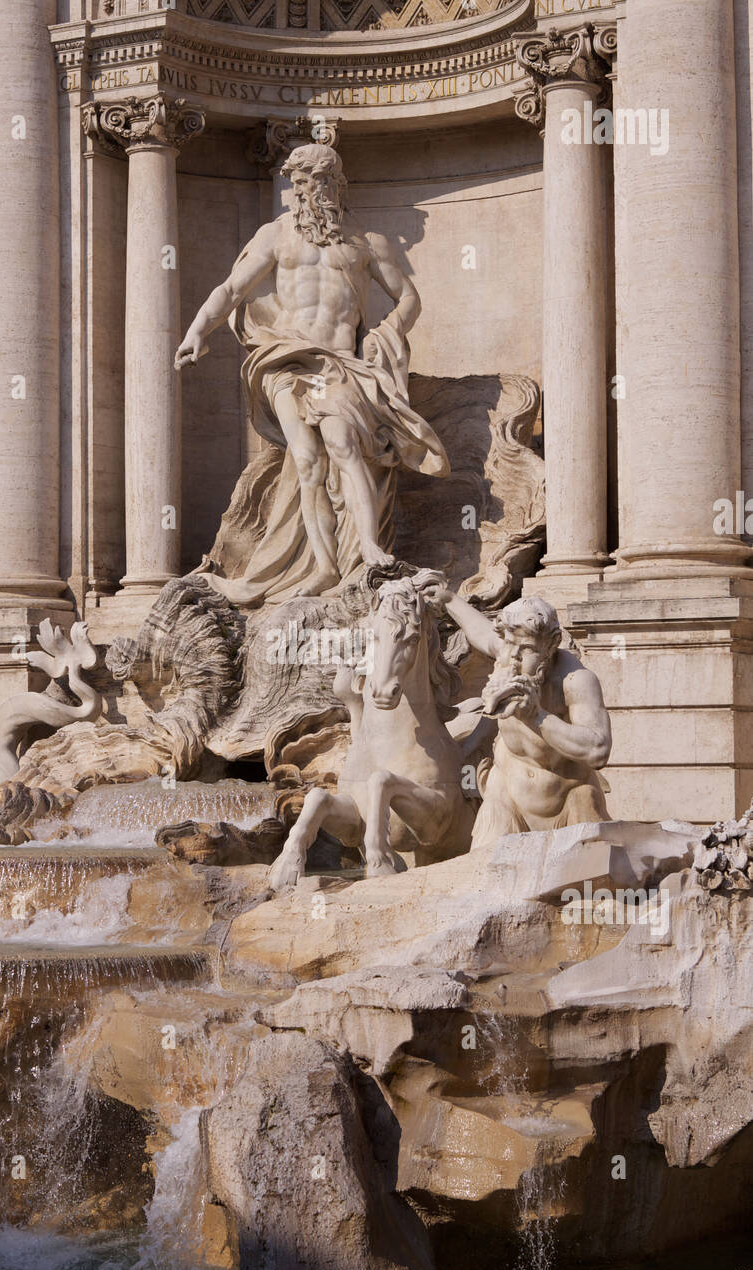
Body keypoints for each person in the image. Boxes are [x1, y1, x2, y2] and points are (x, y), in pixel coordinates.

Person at [175, 143, 448, 604]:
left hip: (337, 363)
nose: (309, 191)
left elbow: (409, 297)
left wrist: (387, 333)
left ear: (337, 185)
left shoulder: (366, 243)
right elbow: (230, 289)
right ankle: (323, 566)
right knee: (307, 459)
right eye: (301, 182)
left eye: (319, 181)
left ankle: (367, 547)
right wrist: (197, 331)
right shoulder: (276, 236)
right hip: (286, 359)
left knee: (343, 445)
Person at [427, 584, 612, 848]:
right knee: (483, 877)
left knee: (587, 882)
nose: (512, 656)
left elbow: (598, 749)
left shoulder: (576, 681)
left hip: (569, 801)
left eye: (525, 649)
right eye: (508, 644)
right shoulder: (507, 653)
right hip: (506, 799)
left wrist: (536, 717)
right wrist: (448, 597)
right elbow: (479, 629)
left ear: (552, 644)